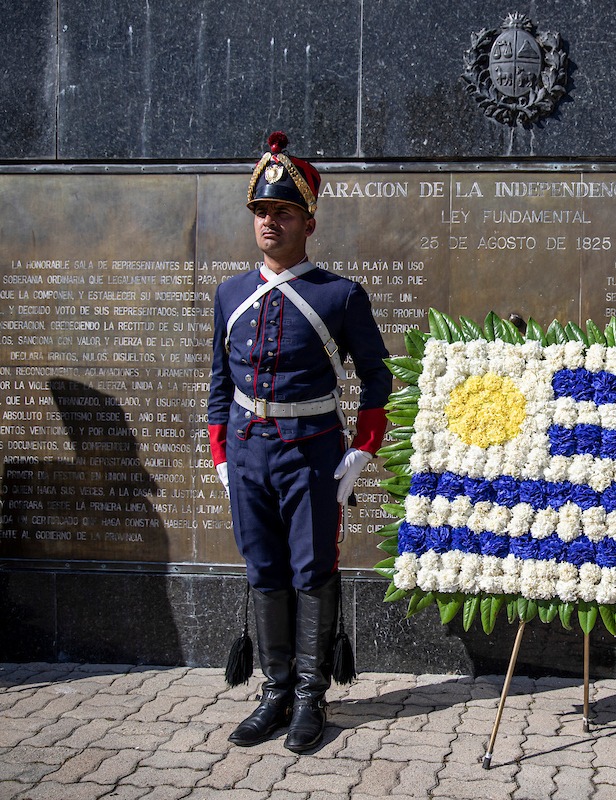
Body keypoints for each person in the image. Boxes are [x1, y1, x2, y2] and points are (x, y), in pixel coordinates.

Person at [208, 131, 391, 752]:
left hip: (311, 451)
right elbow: (218, 381)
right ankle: (275, 690)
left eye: (283, 212)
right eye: (262, 212)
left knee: (313, 570)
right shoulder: (230, 294)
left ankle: (312, 696)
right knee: (264, 567)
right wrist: (220, 454)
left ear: (308, 221)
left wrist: (361, 448)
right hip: (247, 449)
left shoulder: (339, 295)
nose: (269, 223)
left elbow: (376, 377)